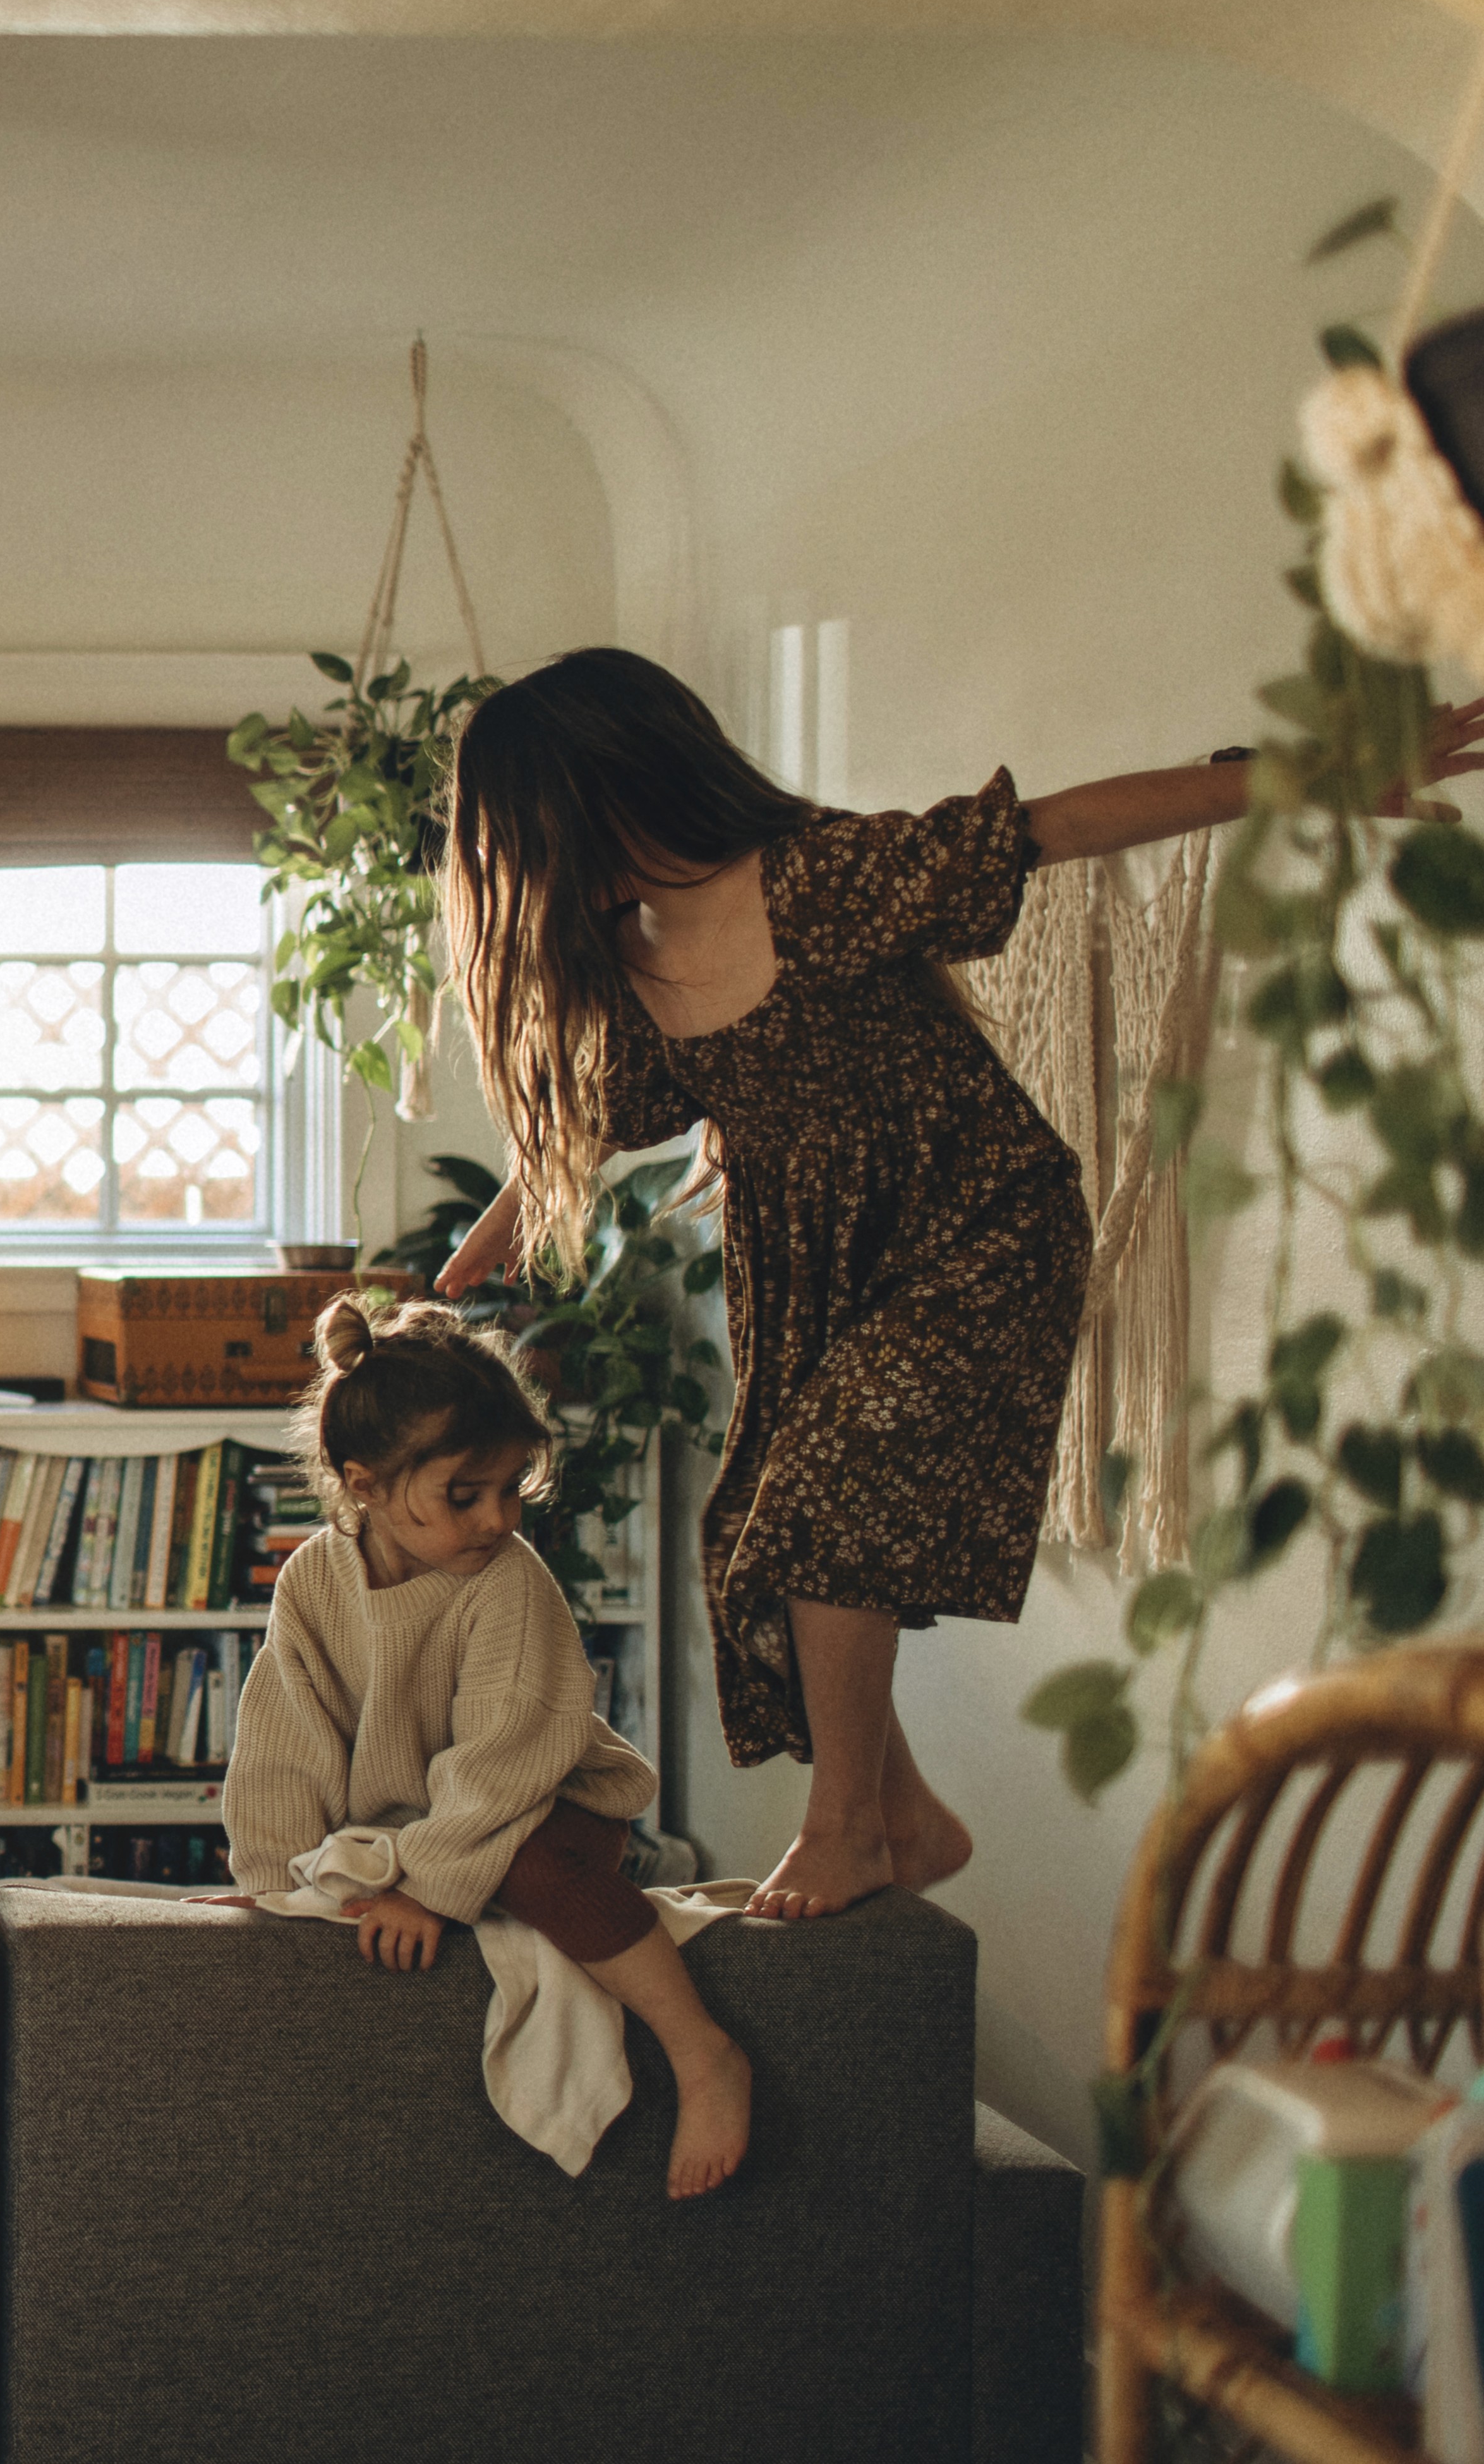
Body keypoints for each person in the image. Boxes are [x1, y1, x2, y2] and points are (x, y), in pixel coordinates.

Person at [435, 646, 1484, 1921]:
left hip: (976, 1220)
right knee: (760, 1536)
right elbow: (606, 1118)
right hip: (816, 1265)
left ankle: (849, 1827)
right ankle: (909, 1815)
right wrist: (499, 1223)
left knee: (822, 1495)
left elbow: (1058, 824)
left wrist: (1312, 777)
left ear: (608, 791)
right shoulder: (631, 959)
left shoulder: (816, 882)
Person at [223, 1294, 752, 2200]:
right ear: (365, 1486)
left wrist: (429, 1889)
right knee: (338, 1900)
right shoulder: (314, 1578)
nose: (498, 1517)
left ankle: (706, 2053)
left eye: (513, 1488)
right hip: (429, 1817)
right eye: (464, 1495)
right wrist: (275, 1886)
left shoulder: (506, 1581)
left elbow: (508, 1755)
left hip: (551, 1802)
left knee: (530, 1871)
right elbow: (282, 1734)